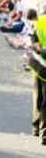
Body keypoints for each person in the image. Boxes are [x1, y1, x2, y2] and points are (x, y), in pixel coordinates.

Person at [28, 13, 46, 144]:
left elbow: (34, 41)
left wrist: (40, 50)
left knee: (38, 97)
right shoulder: (40, 23)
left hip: (37, 63)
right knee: (43, 99)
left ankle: (36, 127)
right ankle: (43, 133)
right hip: (41, 65)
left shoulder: (40, 22)